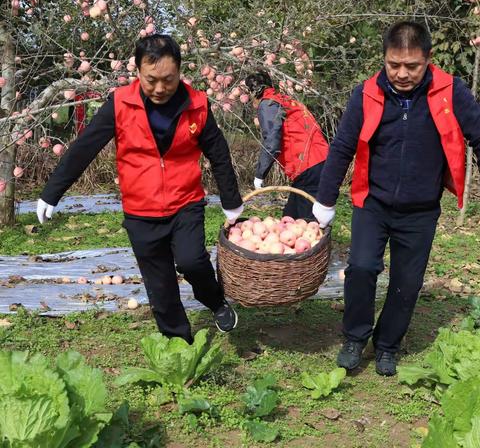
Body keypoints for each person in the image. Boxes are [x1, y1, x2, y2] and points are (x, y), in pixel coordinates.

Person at [36, 34, 244, 344]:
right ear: (137, 71)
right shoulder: (120, 103)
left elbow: (219, 154)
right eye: (152, 80)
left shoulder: (197, 105)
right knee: (159, 285)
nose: (160, 88)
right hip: (140, 211)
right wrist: (52, 192)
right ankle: (178, 346)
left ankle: (214, 300)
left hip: (185, 203)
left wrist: (232, 202)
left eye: (168, 80)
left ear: (179, 72)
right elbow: (85, 147)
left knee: (192, 261)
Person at [312, 21, 480, 376]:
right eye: (394, 65)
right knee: (361, 268)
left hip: (420, 210)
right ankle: (355, 338)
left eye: (412, 66)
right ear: (384, 59)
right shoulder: (367, 93)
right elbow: (342, 148)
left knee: (408, 283)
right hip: (372, 203)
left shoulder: (451, 92)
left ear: (428, 59)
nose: (402, 74)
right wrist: (324, 202)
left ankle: (388, 345)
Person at [244, 72, 329, 219]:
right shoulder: (285, 101)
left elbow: (271, 141)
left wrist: (260, 174)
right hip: (316, 162)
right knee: (290, 218)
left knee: (306, 222)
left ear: (253, 92)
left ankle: (320, 240)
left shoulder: (268, 104)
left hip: (307, 165)